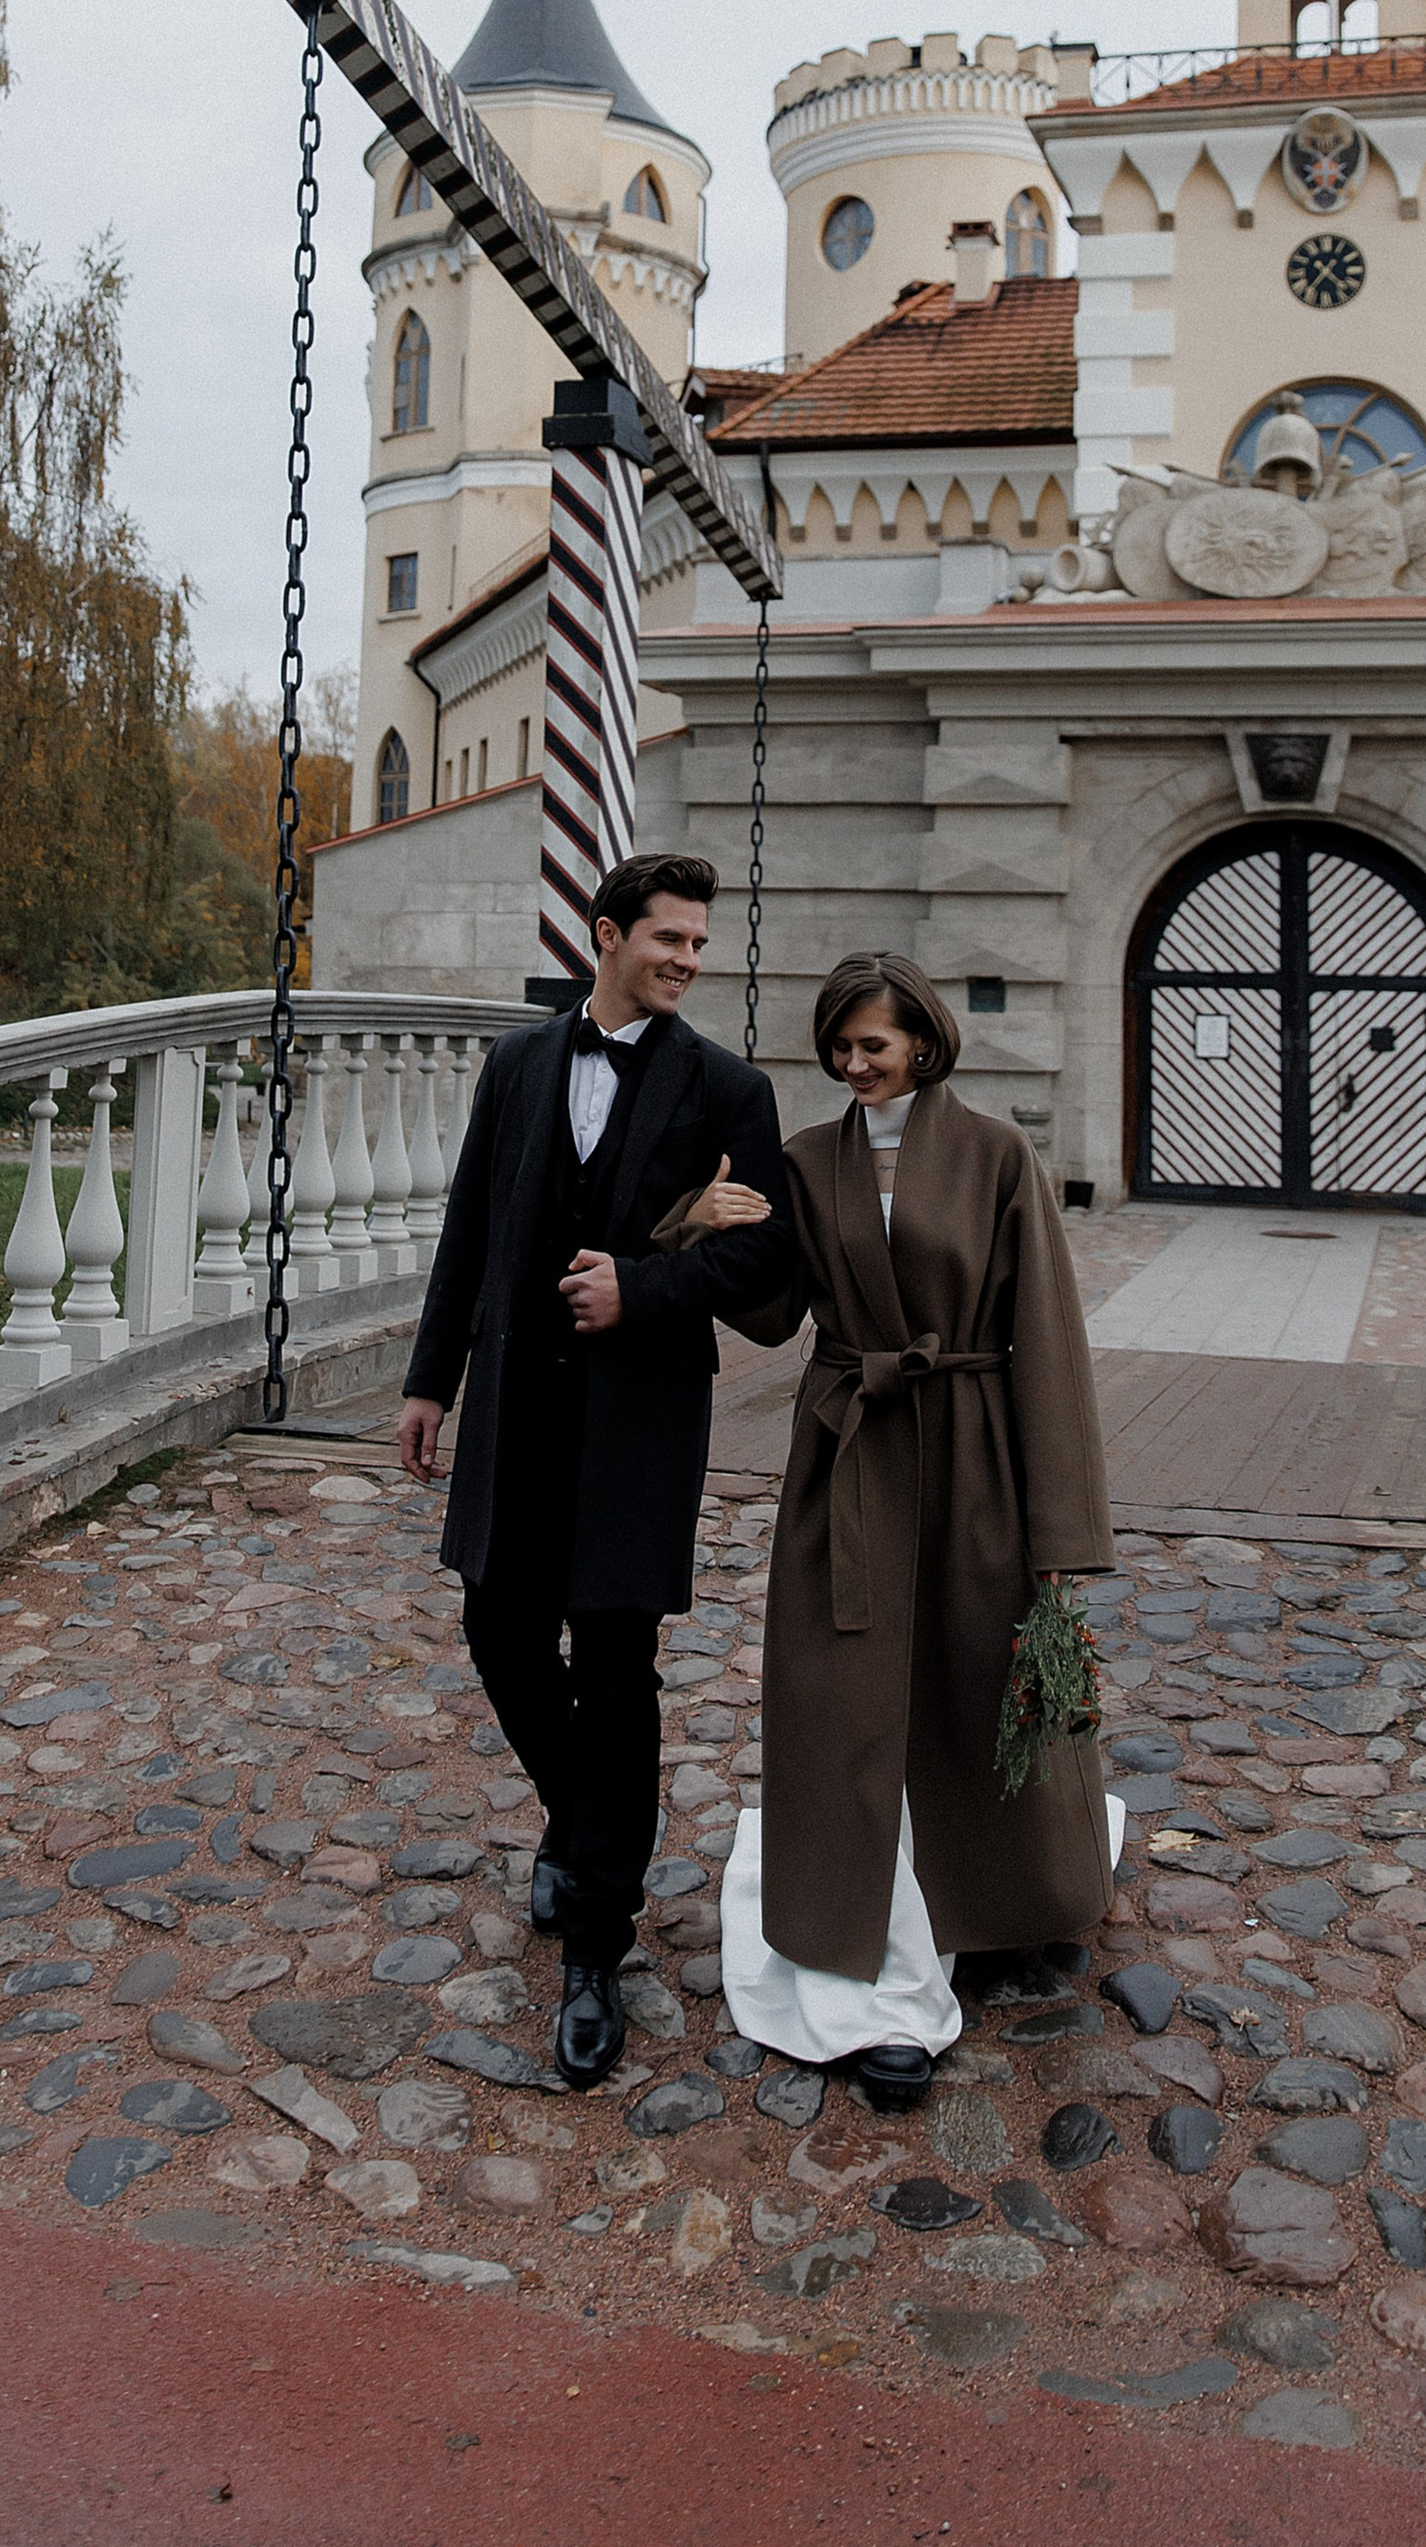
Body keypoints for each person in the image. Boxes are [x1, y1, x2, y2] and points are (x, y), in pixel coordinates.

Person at [563, 947, 1115, 2111]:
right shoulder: (805, 1164)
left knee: (972, 1687)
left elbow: (1048, 1343)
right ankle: (874, 1963)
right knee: (842, 1699)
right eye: (840, 1048)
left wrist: (1058, 1524)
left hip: (971, 1454)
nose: (854, 1065)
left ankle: (1002, 1894)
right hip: (850, 1457)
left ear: (921, 1036)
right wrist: (687, 1224)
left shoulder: (998, 1157)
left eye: (874, 1044)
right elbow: (765, 1313)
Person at [398, 851, 786, 2090]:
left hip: (638, 1422)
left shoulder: (729, 1091)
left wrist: (645, 1285)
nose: (684, 960)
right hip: (516, 1411)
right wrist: (428, 1380)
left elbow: (767, 1276)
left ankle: (596, 1943)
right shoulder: (516, 1067)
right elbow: (470, 1225)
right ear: (606, 935)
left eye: (696, 946)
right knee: (499, 1633)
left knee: (614, 1666)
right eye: (666, 939)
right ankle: (591, 1828)